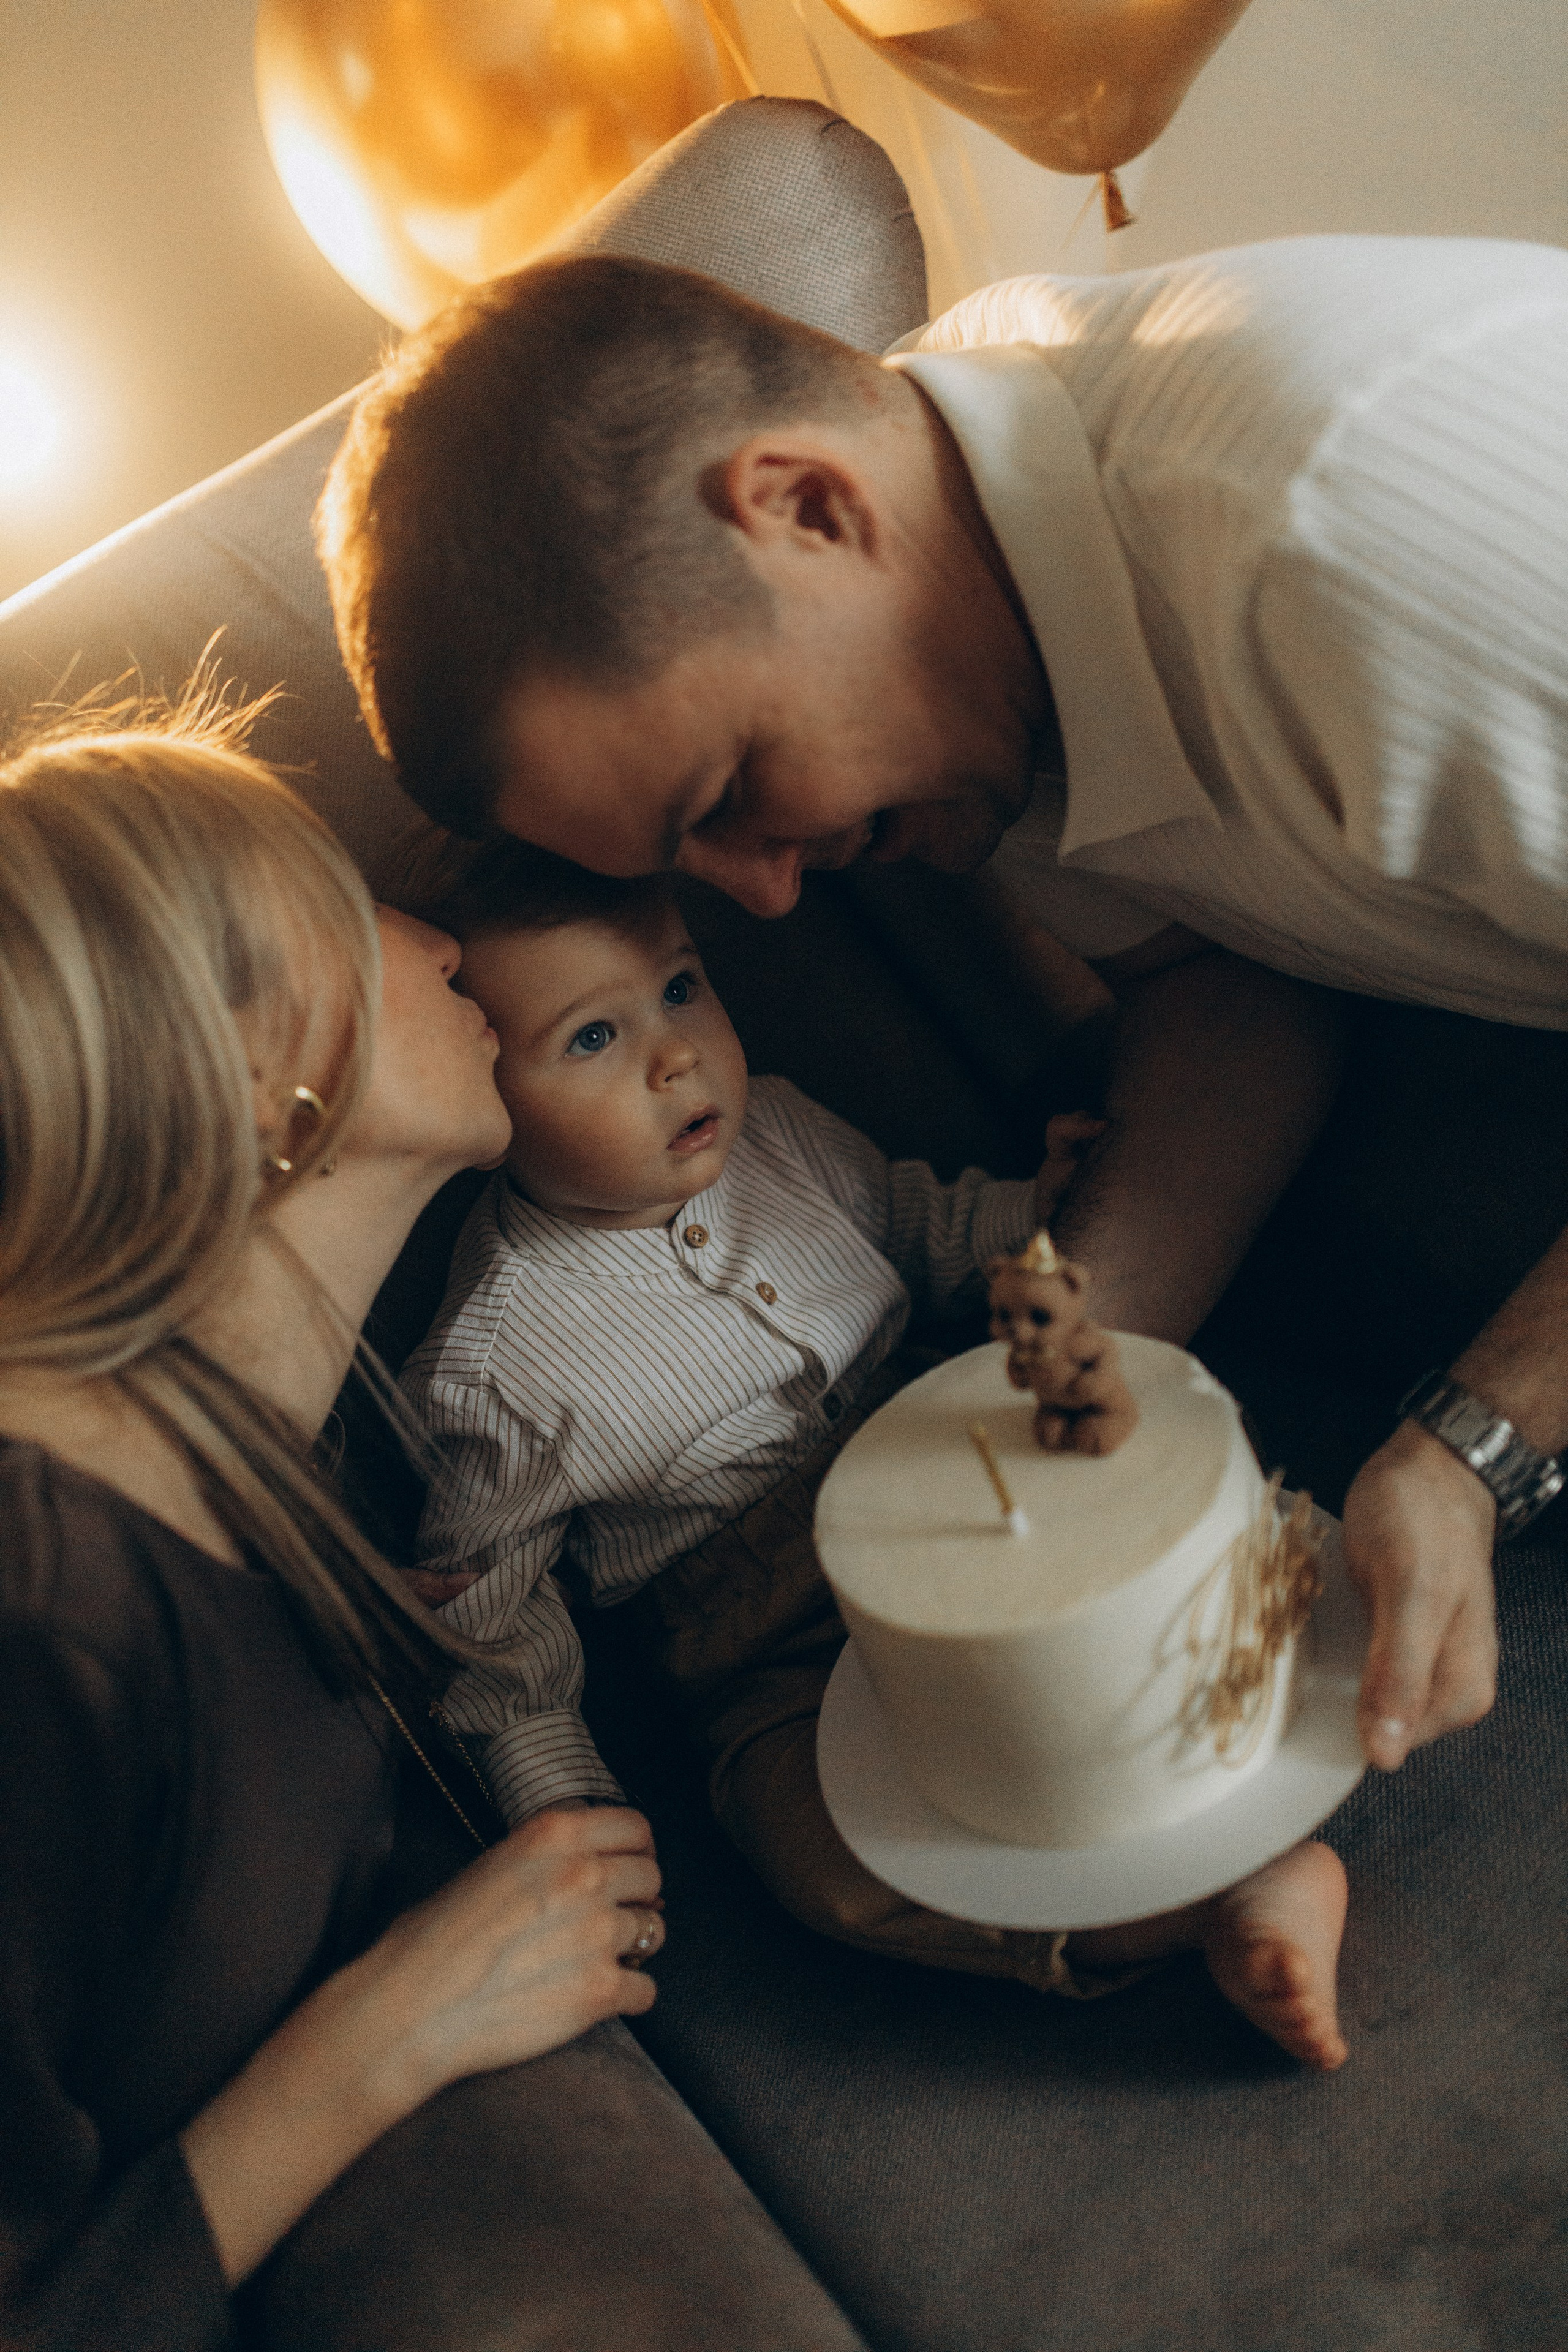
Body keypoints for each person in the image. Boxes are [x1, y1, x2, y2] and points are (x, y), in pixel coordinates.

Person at [316, 235, 1568, 1794]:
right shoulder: (975, 667)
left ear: (808, 509)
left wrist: (1474, 1446)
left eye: (732, 794)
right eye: (691, 859)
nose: (767, 897)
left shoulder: (1328, 525)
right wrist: (1057, 1376)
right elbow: (1221, 990)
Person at [390, 832, 1350, 2071]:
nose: (676, 1052)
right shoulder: (490, 1365)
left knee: (1127, 1511)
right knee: (820, 1857)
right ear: (481, 1099)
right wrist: (558, 1797)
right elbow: (494, 1613)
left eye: (679, 987)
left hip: (947, 1476)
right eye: (592, 1037)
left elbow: (918, 1224)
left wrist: (1034, 1211)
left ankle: (1256, 1711)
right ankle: (1206, 1907)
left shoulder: (780, 1133)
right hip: (756, 1636)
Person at [0, 690, 671, 2348]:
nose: (439, 937)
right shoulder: (36, 1613)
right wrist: (391, 2033)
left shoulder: (261, 1468)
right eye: (340, 891)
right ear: (238, 1061)